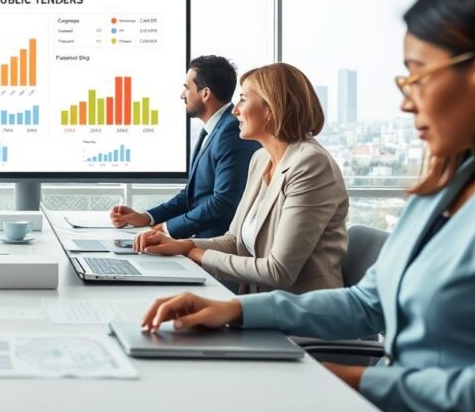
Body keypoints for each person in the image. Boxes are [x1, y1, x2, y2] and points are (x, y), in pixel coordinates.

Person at [142, 0, 475, 412]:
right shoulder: (442, 189)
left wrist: (342, 381)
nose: (405, 101)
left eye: (417, 77)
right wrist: (234, 309)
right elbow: (367, 304)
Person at [135, 63, 348, 294]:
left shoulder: (310, 164)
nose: (235, 110)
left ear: (271, 109)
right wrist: (183, 244)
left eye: (243, 100)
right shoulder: (260, 158)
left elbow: (279, 271)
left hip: (304, 316)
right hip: (260, 304)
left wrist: (193, 253)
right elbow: (233, 240)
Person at [110, 56, 260, 238]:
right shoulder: (214, 130)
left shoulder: (231, 132)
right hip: (200, 241)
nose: (182, 95)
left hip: (216, 248)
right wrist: (146, 217)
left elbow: (223, 203)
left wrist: (166, 229)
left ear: (205, 93)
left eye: (187, 88)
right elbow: (192, 194)